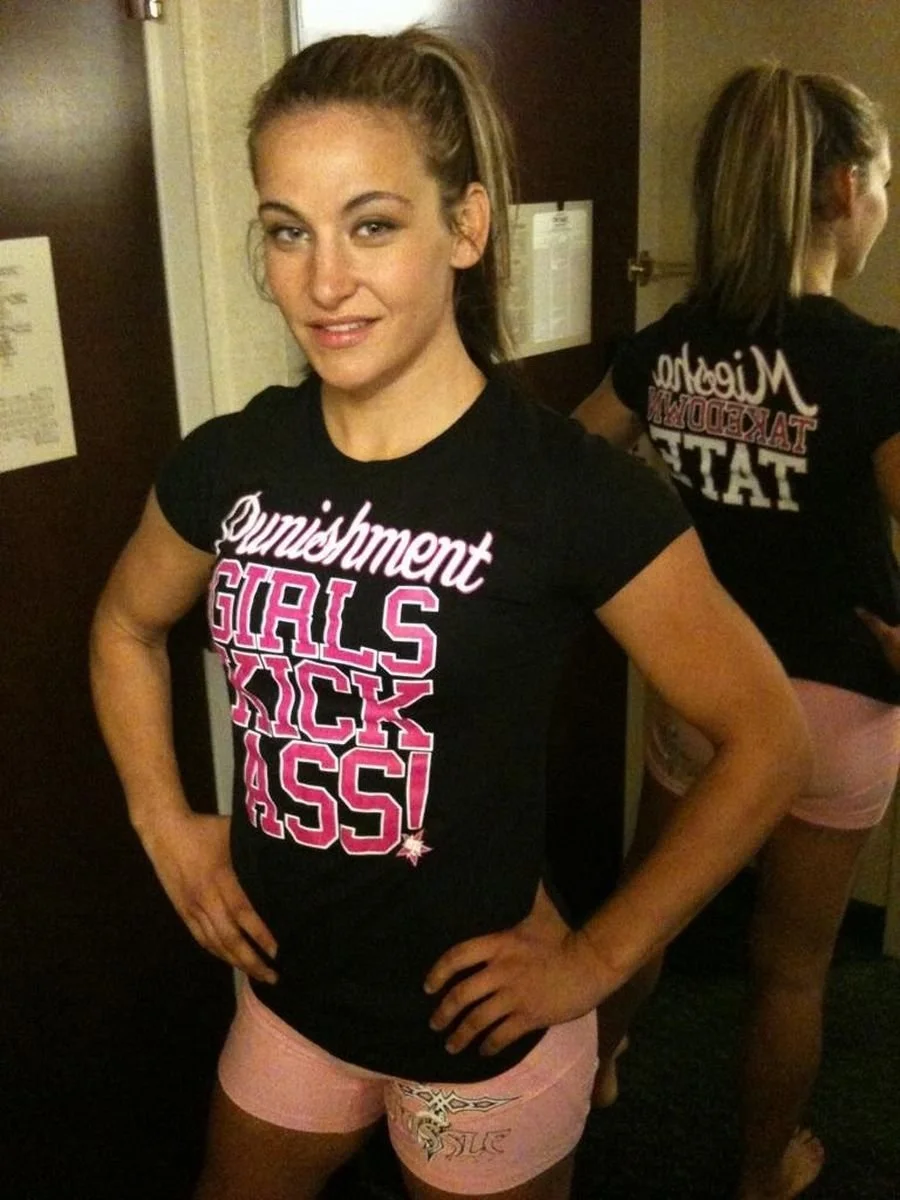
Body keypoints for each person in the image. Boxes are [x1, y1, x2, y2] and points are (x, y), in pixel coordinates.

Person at [90, 31, 810, 1200]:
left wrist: (599, 959)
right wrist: (164, 822)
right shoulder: (232, 462)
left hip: (481, 1044)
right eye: (288, 230)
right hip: (290, 1004)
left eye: (372, 225)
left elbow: (767, 739)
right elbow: (125, 626)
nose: (324, 281)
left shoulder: (569, 490)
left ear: (465, 227)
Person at [574, 62, 900, 1200]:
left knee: (643, 914)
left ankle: (593, 1071)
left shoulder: (671, 344)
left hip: (703, 690)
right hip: (833, 710)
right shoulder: (875, 366)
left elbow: (566, 471)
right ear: (847, 189)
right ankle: (763, 1176)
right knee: (793, 972)